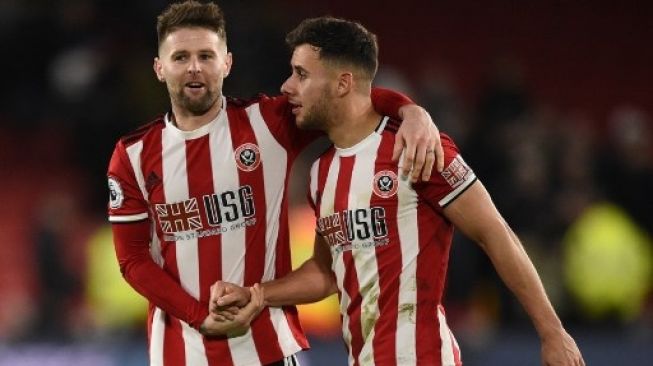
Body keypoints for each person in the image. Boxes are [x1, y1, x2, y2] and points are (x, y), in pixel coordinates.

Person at [210, 17, 586, 366]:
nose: (287, 86)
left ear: (342, 83)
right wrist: (257, 294)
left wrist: (552, 331)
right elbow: (326, 274)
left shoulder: (418, 149)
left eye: (301, 74)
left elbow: (495, 233)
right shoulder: (320, 173)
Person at [106, 1, 442, 365]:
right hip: (179, 354)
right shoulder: (133, 155)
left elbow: (345, 96)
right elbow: (132, 259)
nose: (194, 68)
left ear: (227, 63)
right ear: (159, 67)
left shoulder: (267, 124)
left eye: (206, 55)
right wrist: (199, 315)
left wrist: (410, 111)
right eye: (180, 57)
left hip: (270, 350)